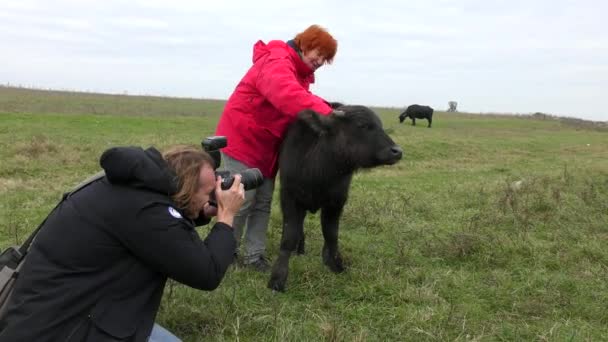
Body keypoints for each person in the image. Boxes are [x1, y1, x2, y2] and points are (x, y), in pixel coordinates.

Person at [0, 145, 245, 341]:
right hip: (63, 330)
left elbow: (168, 230)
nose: (212, 195)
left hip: (45, 313)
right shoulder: (146, 211)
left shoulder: (130, 187)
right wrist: (226, 216)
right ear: (185, 189)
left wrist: (201, 210)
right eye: (207, 191)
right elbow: (207, 273)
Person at [215, 24, 338, 271]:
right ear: (305, 43)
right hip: (244, 138)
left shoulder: (298, 73)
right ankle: (225, 253)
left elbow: (301, 97)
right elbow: (287, 95)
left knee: (262, 201)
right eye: (319, 53)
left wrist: (337, 111)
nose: (320, 61)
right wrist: (328, 114)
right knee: (242, 200)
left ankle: (253, 256)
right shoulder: (277, 60)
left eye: (325, 59)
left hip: (267, 146)